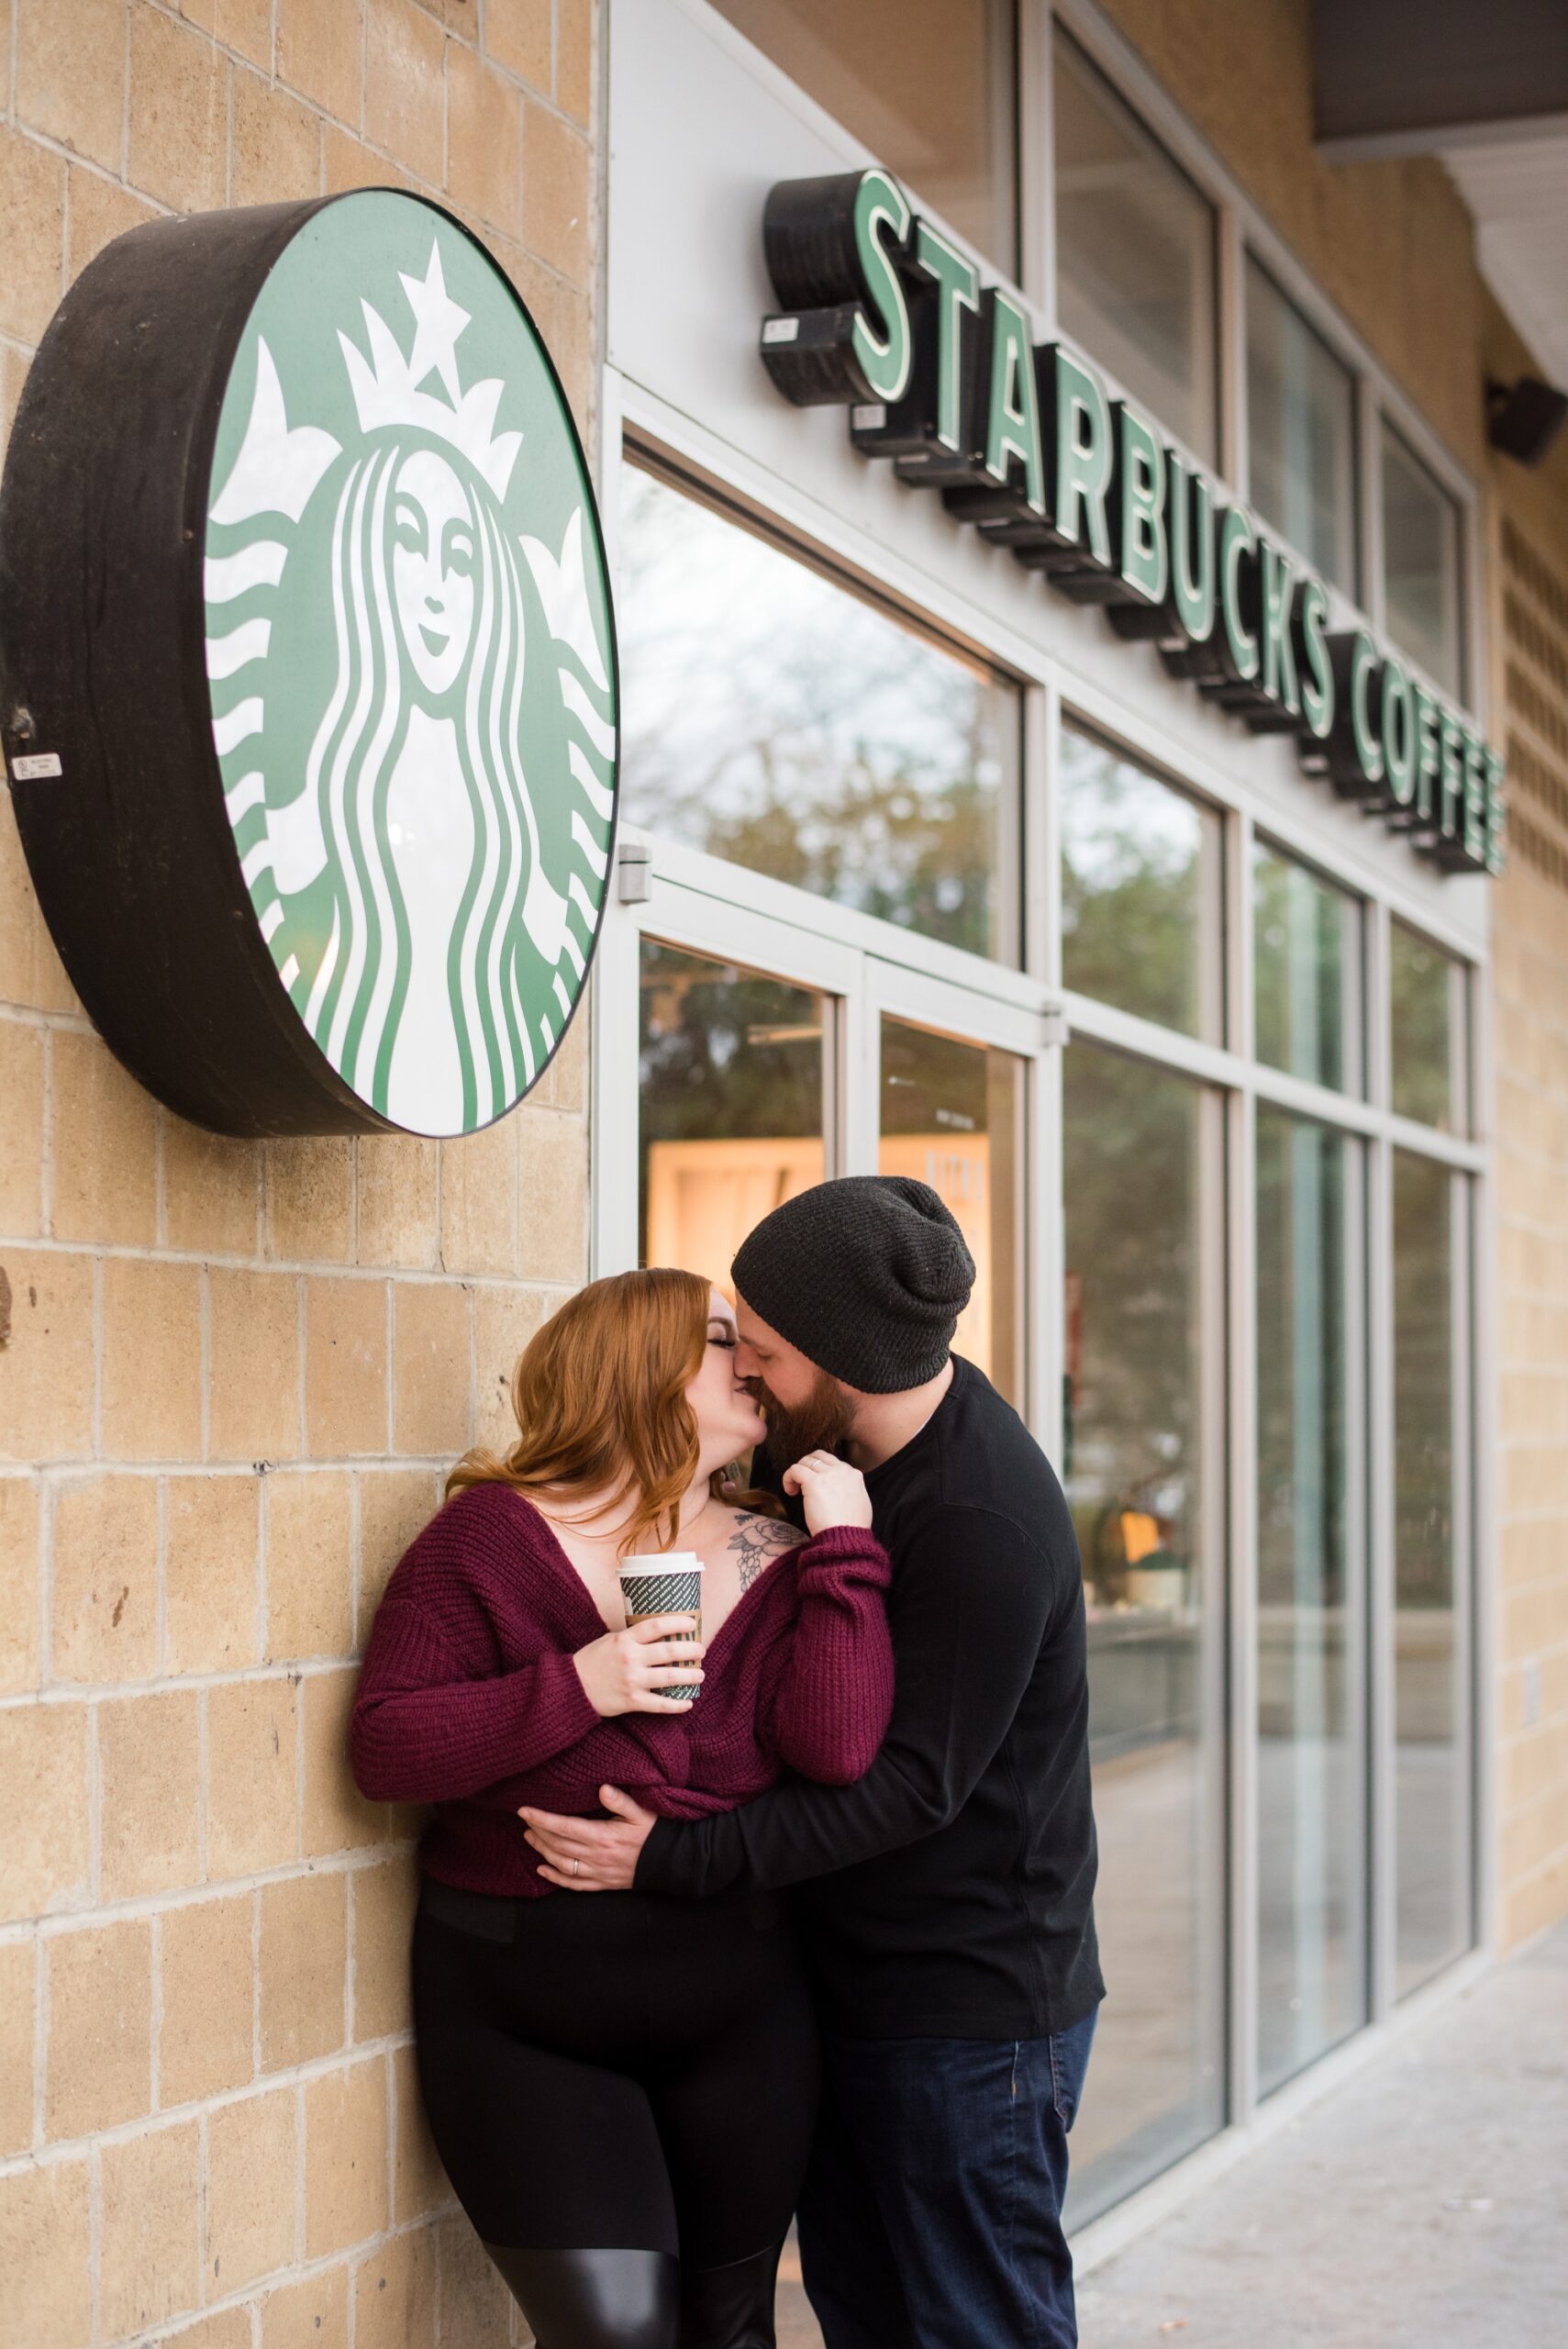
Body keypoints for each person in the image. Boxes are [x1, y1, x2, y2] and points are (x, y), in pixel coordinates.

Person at [520, 1178, 1104, 2349]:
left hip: (965, 2014)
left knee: (978, 2325)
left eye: (769, 1353)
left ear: (847, 1357)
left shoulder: (977, 1520)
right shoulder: (853, 1459)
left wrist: (669, 1858)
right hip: (853, 1992)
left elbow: (908, 1789)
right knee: (870, 2316)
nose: (747, 1372)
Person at [349, 1268, 895, 2349]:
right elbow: (387, 1745)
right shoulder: (486, 1541)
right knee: (617, 2338)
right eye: (718, 1339)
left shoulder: (779, 1555)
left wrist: (840, 1548)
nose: (750, 1362)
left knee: (729, 2329)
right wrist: (584, 1682)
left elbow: (834, 1750)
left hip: (738, 2013)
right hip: (521, 2017)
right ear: (635, 1362)